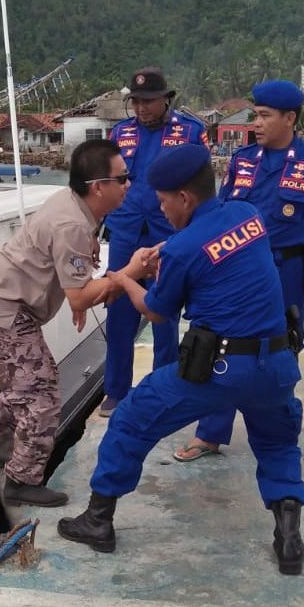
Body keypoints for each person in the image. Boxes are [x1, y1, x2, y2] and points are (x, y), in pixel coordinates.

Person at [57, 144, 304, 574]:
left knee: (133, 418)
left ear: (184, 198)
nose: (162, 209)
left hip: (221, 370)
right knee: (277, 441)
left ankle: (98, 520)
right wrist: (173, 254)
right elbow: (218, 258)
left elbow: (156, 309)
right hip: (279, 365)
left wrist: (122, 278)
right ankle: (288, 537)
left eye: (163, 201)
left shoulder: (181, 249)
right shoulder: (248, 215)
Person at [174, 79, 304, 462]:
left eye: (264, 116)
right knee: (220, 340)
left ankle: (278, 432)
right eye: (255, 115)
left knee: (283, 345)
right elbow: (221, 212)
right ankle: (210, 433)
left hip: (284, 268)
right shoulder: (243, 160)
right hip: (235, 266)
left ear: (290, 118)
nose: (256, 123)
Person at [0, 139, 145, 507]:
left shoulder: (77, 207)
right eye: (123, 178)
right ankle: (18, 477)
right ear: (98, 187)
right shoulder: (73, 222)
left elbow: (71, 275)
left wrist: (81, 291)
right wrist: (126, 275)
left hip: (4, 304)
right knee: (41, 392)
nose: (129, 185)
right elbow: (78, 294)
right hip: (3, 310)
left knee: (30, 388)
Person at [101, 67, 209, 417]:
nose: (141, 108)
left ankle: (163, 387)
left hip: (169, 235)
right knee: (118, 312)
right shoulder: (120, 133)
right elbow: (106, 184)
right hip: (125, 232)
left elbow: (203, 188)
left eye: (148, 101)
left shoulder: (191, 132)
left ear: (166, 100)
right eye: (136, 102)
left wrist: (196, 233)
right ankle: (116, 390)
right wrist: (94, 230)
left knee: (164, 313)